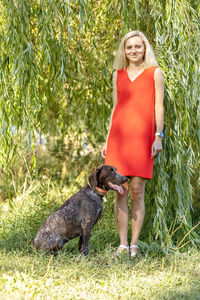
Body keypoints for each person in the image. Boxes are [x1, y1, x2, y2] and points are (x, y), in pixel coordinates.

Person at [101, 30, 164, 257]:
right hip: (119, 139)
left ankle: (135, 244)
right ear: (124, 51)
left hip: (142, 139)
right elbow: (115, 109)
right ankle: (122, 244)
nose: (134, 50)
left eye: (138, 46)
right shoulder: (117, 75)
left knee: (137, 191)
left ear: (144, 48)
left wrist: (159, 136)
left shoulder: (155, 73)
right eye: (129, 47)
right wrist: (108, 139)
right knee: (120, 191)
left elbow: (159, 106)